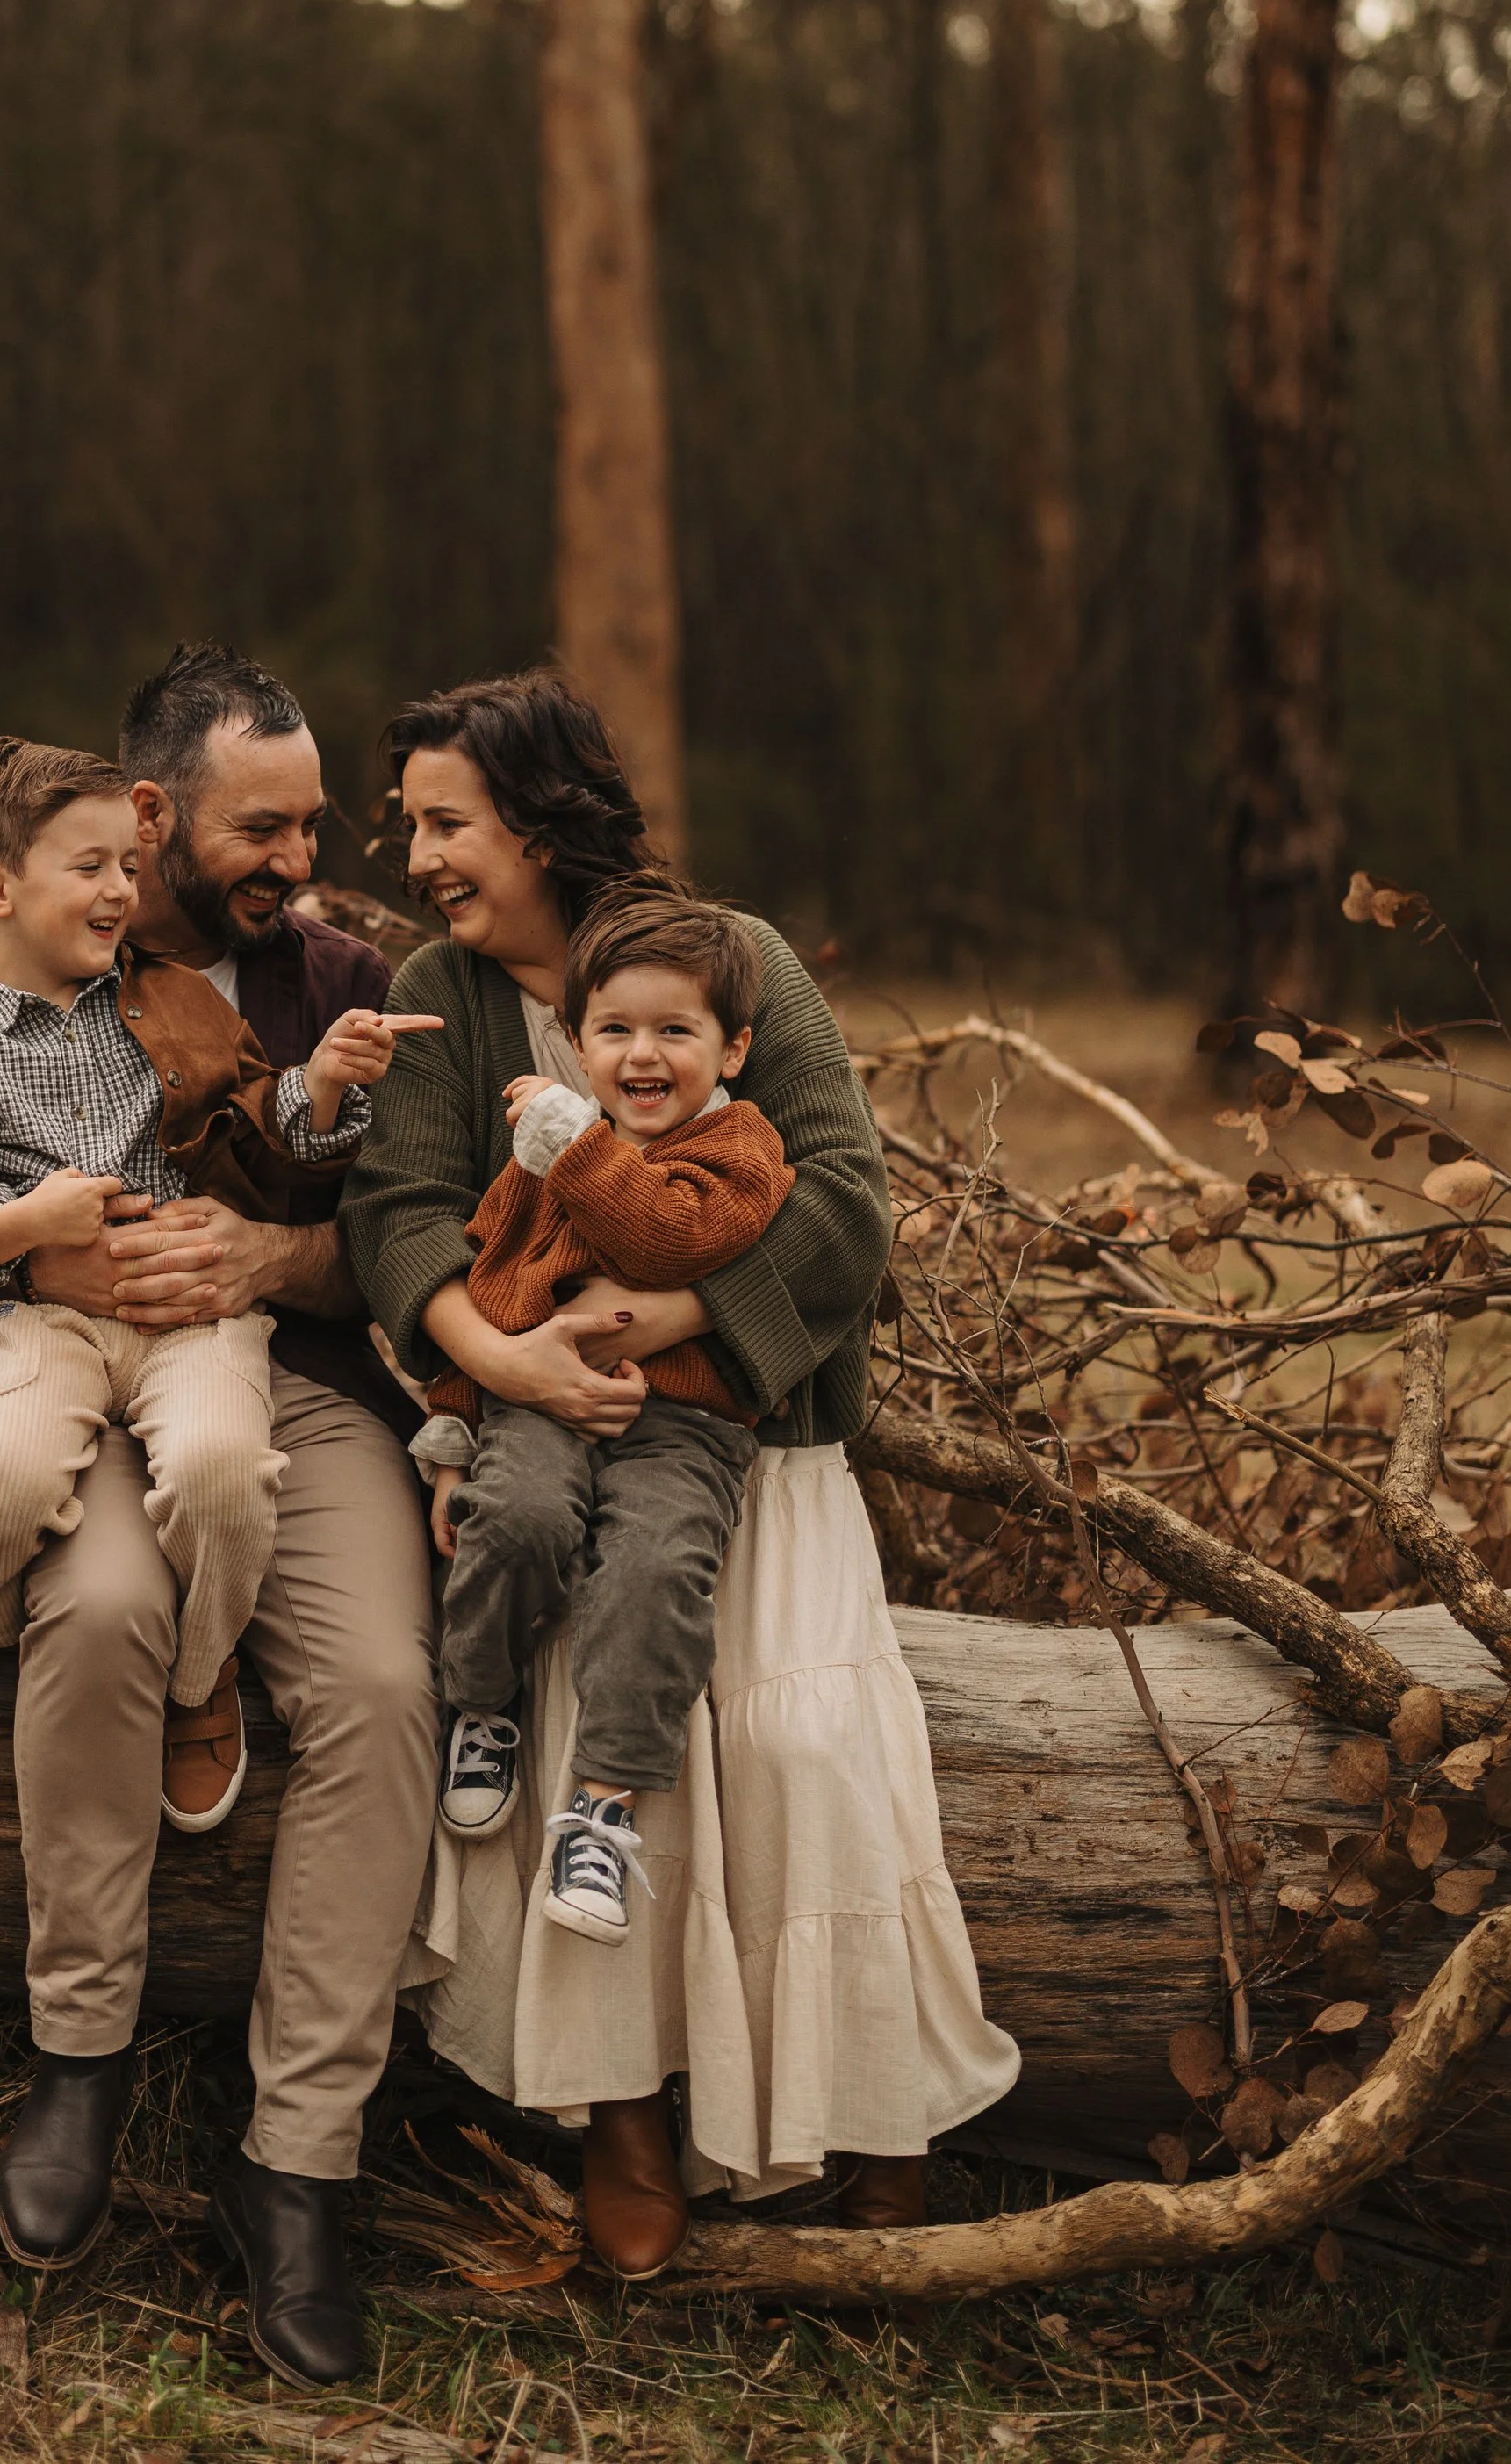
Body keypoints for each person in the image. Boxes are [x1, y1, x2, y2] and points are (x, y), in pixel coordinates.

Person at [343, 670, 1020, 2285]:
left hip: (751, 1439)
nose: (423, 855)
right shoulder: (439, 988)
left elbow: (845, 1196)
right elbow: (401, 1213)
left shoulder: (728, 965)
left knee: (799, 1741)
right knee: (582, 1709)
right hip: (549, 1440)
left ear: (540, 818)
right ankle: (624, 2117)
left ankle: (874, 2113)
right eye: (416, 825)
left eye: (449, 823)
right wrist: (499, 1372)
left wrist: (676, 1314)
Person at [0, 647, 441, 2385]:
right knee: (99, 1610)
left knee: (387, 1693)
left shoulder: (332, 977)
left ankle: (298, 2163)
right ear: (159, 813)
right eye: (267, 829)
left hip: (284, 1385)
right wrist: (35, 1246)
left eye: (317, 824)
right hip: (66, 1379)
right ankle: (77, 2056)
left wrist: (275, 1249)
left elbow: (412, 1225)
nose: (304, 859)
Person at [0, 735, 428, 1841]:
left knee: (222, 1473)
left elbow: (262, 1124)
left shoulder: (184, 1003)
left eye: (128, 866)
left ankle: (199, 1670)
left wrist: (321, 1085)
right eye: (93, 868)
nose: (122, 889)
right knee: (3, 1484)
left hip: (195, 1327)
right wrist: (21, 1232)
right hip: (40, 1321)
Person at [414, 887, 792, 1945]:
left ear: (732, 1049)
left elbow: (671, 1239)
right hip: (538, 1395)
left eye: (676, 1031)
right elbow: (492, 1279)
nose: (643, 1056)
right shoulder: (552, 1150)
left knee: (657, 1569)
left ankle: (603, 1807)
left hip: (687, 1427)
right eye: (614, 1030)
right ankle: (480, 1704)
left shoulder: (739, 1151)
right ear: (577, 1042)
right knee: (518, 1517)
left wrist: (575, 1145)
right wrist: (452, 1433)